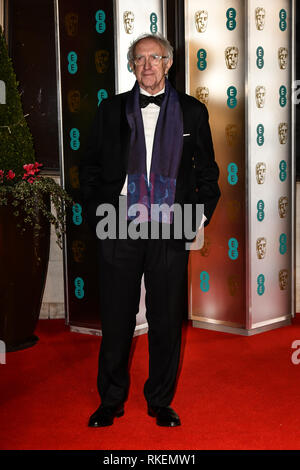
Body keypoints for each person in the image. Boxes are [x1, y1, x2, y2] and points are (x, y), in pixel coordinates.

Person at [79, 33, 220, 428]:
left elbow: (208, 175)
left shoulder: (192, 112)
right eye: (139, 59)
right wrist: (97, 213)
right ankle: (110, 400)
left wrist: (197, 218)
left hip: (170, 221)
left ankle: (160, 401)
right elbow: (88, 167)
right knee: (117, 316)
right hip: (119, 220)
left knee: (166, 317)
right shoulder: (110, 110)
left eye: (154, 58)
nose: (147, 66)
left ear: (168, 63)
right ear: (131, 65)